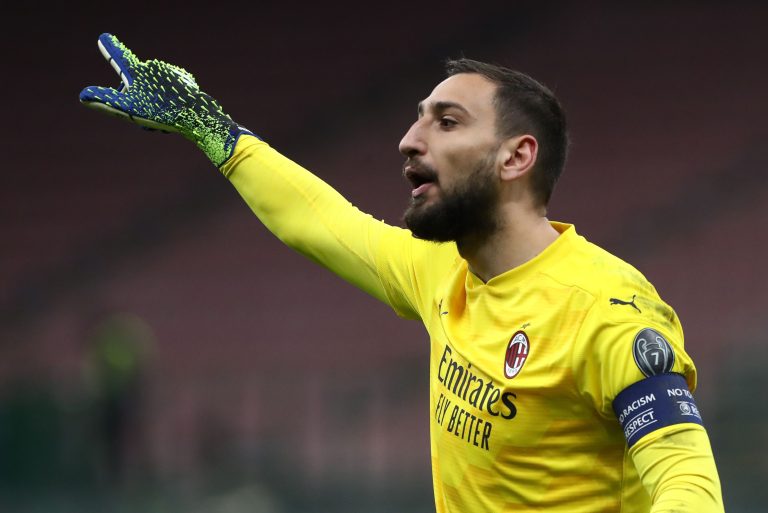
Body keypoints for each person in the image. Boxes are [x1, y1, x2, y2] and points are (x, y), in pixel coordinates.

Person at [79, 33, 724, 512]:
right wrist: (214, 132)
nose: (410, 139)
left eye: (446, 121)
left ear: (516, 157)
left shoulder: (604, 309)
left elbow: (685, 480)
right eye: (418, 117)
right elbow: (320, 223)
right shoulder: (443, 269)